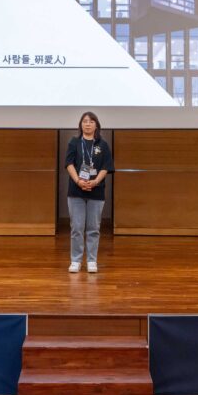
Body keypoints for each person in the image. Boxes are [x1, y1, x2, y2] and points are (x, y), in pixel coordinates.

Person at [65, 111, 114, 273]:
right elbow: (69, 164)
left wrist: (95, 182)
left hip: (96, 191)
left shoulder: (102, 144)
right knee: (77, 227)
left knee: (93, 228)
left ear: (96, 125)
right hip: (76, 191)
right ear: (80, 124)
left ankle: (92, 260)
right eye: (85, 121)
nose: (88, 124)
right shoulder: (74, 142)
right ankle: (76, 260)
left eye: (91, 121)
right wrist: (79, 181)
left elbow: (106, 167)